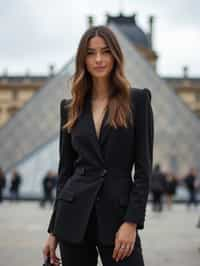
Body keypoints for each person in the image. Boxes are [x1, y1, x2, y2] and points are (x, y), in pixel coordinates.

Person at [42, 25, 154, 266]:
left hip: (118, 217)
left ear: (115, 55)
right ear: (83, 59)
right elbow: (65, 173)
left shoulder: (138, 100)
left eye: (105, 51)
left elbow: (144, 170)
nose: (99, 59)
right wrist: (53, 231)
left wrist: (132, 221)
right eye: (91, 53)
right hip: (72, 218)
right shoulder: (69, 107)